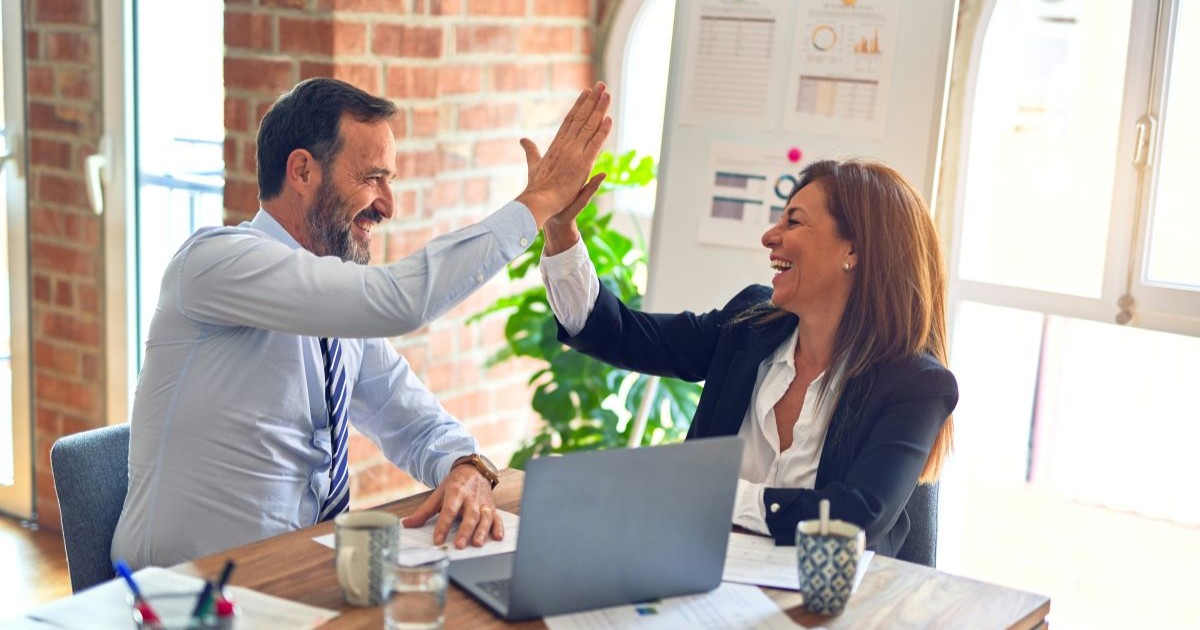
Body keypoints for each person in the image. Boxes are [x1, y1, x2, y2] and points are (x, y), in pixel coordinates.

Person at [112, 77, 611, 568]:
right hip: (183, 598)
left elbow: (412, 419)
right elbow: (401, 301)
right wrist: (539, 202)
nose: (388, 205)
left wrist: (466, 466)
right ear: (303, 172)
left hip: (296, 579)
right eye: (373, 177)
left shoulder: (336, 312)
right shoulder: (214, 262)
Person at [539, 158, 957, 557]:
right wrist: (560, 228)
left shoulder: (915, 385)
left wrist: (713, 493)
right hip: (702, 578)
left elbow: (852, 520)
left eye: (793, 221)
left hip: (828, 610)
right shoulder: (749, 326)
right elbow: (620, 334)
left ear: (854, 250)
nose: (770, 236)